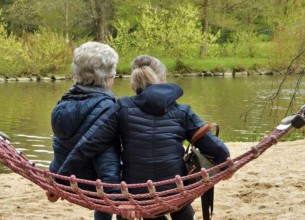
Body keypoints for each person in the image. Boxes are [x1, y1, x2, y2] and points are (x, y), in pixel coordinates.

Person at [58, 55, 230, 220]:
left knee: (129, 208)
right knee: (180, 204)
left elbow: (89, 144)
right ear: (163, 79)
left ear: (134, 83)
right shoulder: (183, 111)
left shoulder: (121, 107)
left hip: (136, 194)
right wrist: (226, 164)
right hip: (175, 191)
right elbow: (215, 148)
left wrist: (60, 180)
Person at [48, 41, 121, 220]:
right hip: (95, 185)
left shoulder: (62, 105)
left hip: (67, 180)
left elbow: (61, 147)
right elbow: (107, 162)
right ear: (108, 77)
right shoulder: (108, 108)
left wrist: (55, 181)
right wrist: (117, 199)